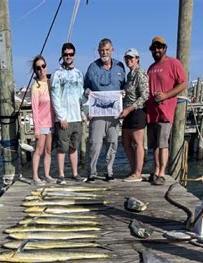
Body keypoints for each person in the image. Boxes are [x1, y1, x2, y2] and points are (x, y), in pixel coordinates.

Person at [84, 38, 126, 182]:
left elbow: (124, 87)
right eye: (102, 50)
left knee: (113, 143)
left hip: (114, 114)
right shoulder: (92, 67)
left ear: (112, 50)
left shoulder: (120, 67)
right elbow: (85, 89)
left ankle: (109, 171)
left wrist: (123, 96)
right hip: (97, 114)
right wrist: (87, 99)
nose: (104, 53)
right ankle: (92, 172)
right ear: (98, 51)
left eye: (107, 50)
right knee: (95, 144)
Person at [146, 35, 186, 185]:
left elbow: (182, 84)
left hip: (165, 112)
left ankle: (162, 173)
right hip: (151, 112)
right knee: (155, 144)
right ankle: (156, 171)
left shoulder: (174, 63)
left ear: (164, 48)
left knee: (163, 143)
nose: (157, 50)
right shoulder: (151, 68)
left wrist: (166, 95)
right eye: (154, 48)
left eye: (160, 47)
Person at [50, 42, 85, 185]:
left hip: (77, 117)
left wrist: (85, 111)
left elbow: (82, 94)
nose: (68, 57)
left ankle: (75, 173)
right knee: (61, 148)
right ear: (62, 56)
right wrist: (61, 116)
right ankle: (61, 175)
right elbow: (55, 96)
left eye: (71, 54)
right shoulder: (57, 74)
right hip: (64, 119)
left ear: (74, 55)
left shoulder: (79, 73)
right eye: (66, 54)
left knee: (74, 147)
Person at [119, 48, 149, 182]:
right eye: (127, 58)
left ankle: (138, 173)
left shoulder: (140, 73)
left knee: (137, 143)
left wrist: (130, 109)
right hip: (127, 112)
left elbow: (145, 95)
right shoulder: (129, 75)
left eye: (132, 58)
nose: (129, 60)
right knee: (125, 142)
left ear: (137, 59)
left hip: (137, 111)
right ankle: (133, 170)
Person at [30, 55, 55, 185]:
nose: (41, 69)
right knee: (39, 150)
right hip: (42, 124)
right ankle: (35, 176)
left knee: (48, 150)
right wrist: (36, 128)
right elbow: (34, 109)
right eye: (38, 68)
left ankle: (47, 174)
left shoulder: (51, 82)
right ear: (35, 70)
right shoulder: (36, 87)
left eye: (43, 66)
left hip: (52, 123)